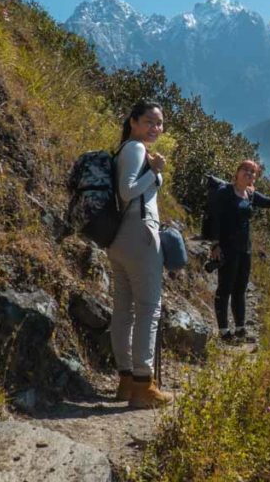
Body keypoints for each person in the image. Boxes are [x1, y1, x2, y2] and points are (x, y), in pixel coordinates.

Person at [108, 101, 174, 408]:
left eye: (159, 123)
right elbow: (128, 190)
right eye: (149, 121)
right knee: (149, 308)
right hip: (140, 233)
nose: (156, 128)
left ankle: (125, 381)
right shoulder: (135, 149)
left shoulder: (125, 149)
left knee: (124, 309)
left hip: (118, 237)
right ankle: (144, 385)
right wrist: (156, 172)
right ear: (133, 121)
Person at [209, 160, 270, 342]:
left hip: (245, 250)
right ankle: (224, 331)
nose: (249, 174)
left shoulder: (250, 194)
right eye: (246, 170)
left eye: (253, 172)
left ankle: (240, 329)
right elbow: (214, 218)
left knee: (240, 289)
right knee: (225, 288)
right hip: (227, 248)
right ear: (237, 172)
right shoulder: (225, 192)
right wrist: (215, 245)